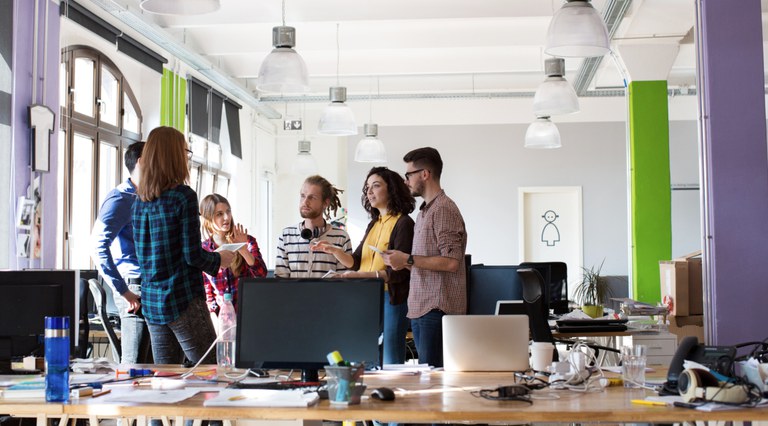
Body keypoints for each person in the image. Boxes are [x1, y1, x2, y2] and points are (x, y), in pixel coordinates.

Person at [132, 126, 235, 365]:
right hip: (182, 299)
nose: (187, 158)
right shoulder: (183, 196)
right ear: (174, 156)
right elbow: (192, 255)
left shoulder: (139, 201)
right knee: (210, 370)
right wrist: (220, 260)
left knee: (166, 376)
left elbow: (143, 256)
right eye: (185, 152)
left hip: (152, 302)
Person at [314, 167, 416, 364]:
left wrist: (357, 277)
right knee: (365, 357)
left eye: (375, 186)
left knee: (390, 358)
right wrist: (334, 250)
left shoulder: (404, 223)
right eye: (367, 188)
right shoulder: (374, 223)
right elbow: (356, 262)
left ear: (392, 189)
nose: (369, 192)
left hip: (391, 297)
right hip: (367, 297)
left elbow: (399, 273)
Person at [382, 147, 467, 368]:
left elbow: (451, 262)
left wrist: (408, 259)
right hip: (421, 308)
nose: (406, 181)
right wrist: (400, 261)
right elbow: (424, 263)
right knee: (428, 380)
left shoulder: (444, 210)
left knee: (434, 382)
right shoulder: (423, 212)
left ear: (425, 174)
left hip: (437, 310)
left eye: (409, 175)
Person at [90, 141, 151, 364]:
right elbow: (97, 246)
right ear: (142, 161)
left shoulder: (147, 197)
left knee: (153, 364)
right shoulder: (120, 198)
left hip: (149, 286)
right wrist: (124, 291)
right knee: (134, 364)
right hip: (134, 288)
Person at [199, 193, 268, 327]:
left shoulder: (247, 240)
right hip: (222, 320)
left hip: (249, 315)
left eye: (228, 212)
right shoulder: (204, 250)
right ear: (208, 218)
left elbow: (261, 274)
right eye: (219, 214)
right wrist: (213, 318)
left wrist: (243, 249)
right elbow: (208, 292)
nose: (226, 217)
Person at [275, 175, 353, 278]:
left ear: (325, 202)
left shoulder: (341, 237)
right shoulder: (286, 236)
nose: (305, 202)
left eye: (312, 197)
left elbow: (344, 281)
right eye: (303, 196)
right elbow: (281, 280)